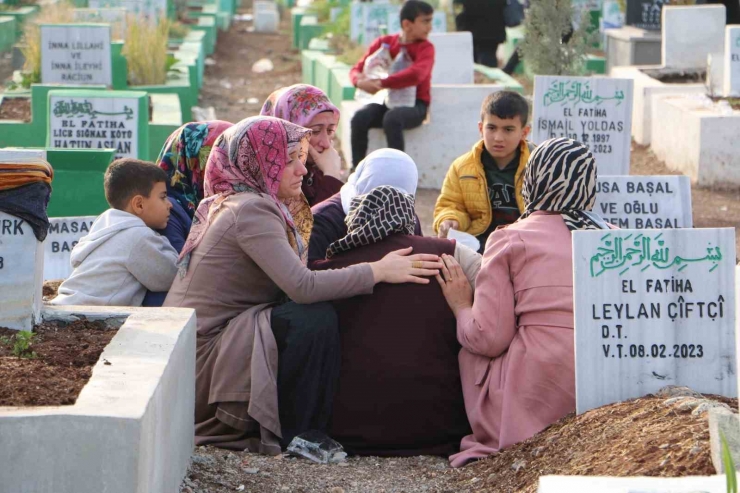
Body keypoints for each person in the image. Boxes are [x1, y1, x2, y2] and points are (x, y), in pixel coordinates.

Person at [163, 116, 443, 453]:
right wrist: (378, 270)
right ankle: (302, 432)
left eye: (301, 158)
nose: (303, 170)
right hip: (208, 357)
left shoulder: (243, 201)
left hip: (206, 344)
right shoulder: (251, 210)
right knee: (312, 317)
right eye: (289, 160)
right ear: (260, 162)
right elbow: (303, 287)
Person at [436, 138, 609, 467]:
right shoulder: (614, 236)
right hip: (607, 380)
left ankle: (500, 428)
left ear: (533, 179)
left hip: (538, 389)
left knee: (471, 350)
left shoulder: (511, 237)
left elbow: (489, 337)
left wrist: (461, 305)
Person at [312, 185, 480, 456]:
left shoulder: (328, 270)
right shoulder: (448, 253)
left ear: (354, 222)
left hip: (351, 431)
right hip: (443, 428)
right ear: (408, 218)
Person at [52, 159, 177, 307]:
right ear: (139, 204)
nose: (170, 204)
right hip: (87, 314)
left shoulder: (106, 224)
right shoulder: (137, 237)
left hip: (66, 304)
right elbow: (173, 276)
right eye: (163, 197)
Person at [142, 120, 234, 307]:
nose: (227, 170)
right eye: (218, 161)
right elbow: (185, 276)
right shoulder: (167, 210)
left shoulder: (214, 203)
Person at [433, 91, 534, 252]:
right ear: (481, 128)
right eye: (491, 128)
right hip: (479, 246)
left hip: (527, 245)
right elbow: (450, 205)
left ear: (524, 132)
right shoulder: (462, 167)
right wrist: (451, 219)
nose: (498, 137)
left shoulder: (539, 165)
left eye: (508, 129)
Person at [349, 0, 435, 168]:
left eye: (431, 21)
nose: (430, 27)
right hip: (387, 102)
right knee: (359, 118)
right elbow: (356, 69)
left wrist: (381, 83)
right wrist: (360, 82)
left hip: (415, 106)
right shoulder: (385, 44)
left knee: (393, 118)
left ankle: (399, 173)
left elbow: (416, 75)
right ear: (407, 24)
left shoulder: (426, 48)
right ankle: (356, 171)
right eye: (425, 21)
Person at [308, 148, 422, 265]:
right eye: (380, 194)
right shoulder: (322, 219)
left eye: (398, 194)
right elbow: (308, 276)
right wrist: (376, 271)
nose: (388, 204)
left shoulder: (407, 218)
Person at [260, 84, 343, 206]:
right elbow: (314, 223)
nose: (326, 143)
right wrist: (332, 177)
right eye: (315, 131)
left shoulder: (317, 169)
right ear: (287, 129)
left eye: (330, 131)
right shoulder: (275, 178)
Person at [454, 0, 506, 67]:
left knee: (472, 61)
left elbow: (458, 6)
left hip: (471, 28)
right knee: (488, 60)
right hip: (492, 28)